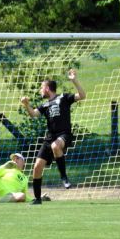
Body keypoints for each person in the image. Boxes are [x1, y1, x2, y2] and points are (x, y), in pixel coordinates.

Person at [20, 68, 86, 205]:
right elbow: (33, 114)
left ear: (48, 88)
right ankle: (37, 199)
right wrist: (26, 105)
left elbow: (82, 95)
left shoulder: (64, 98)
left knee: (56, 146)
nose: (40, 90)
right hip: (49, 137)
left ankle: (64, 177)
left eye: (41, 87)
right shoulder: (44, 105)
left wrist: (75, 81)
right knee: (37, 166)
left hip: (64, 134)